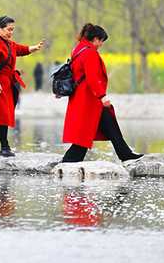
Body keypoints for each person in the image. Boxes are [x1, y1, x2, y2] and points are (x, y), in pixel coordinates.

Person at [61, 23, 143, 165]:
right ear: (96, 38)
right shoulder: (90, 52)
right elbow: (92, 77)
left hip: (82, 97)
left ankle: (126, 155)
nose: (101, 44)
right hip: (89, 98)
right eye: (101, 41)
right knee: (86, 132)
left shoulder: (78, 49)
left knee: (108, 124)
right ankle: (69, 161)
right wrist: (102, 95)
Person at [0, 16, 44, 157]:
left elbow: (19, 49)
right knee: (3, 116)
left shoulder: (6, 43)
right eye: (8, 29)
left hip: (5, 83)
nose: (11, 32)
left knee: (4, 116)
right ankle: (3, 147)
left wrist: (34, 48)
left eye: (12, 30)